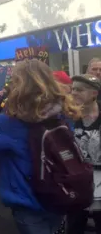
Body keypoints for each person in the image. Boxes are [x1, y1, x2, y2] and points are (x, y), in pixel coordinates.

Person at [0, 59, 80, 234]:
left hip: (28, 201)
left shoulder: (9, 122)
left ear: (18, 86)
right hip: (60, 194)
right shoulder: (64, 113)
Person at [67, 74, 101, 233]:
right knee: (75, 226)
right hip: (77, 184)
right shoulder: (68, 117)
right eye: (72, 89)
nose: (74, 93)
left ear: (94, 93)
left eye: (79, 90)